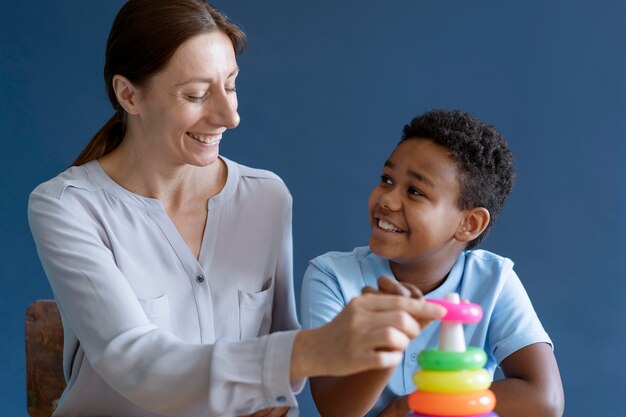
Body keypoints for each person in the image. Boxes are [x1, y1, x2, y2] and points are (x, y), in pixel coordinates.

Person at [27, 2, 446, 417]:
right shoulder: (66, 207)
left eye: (230, 85)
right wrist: (312, 350)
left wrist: (364, 349)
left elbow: (280, 352)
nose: (230, 116)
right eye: (196, 94)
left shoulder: (267, 197)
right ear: (128, 95)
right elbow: (134, 362)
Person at [300, 109, 565, 417]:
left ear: (470, 223)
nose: (387, 199)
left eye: (414, 191)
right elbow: (335, 409)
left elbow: (544, 399)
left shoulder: (494, 280)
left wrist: (409, 407)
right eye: (387, 180)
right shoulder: (332, 276)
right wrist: (389, 340)